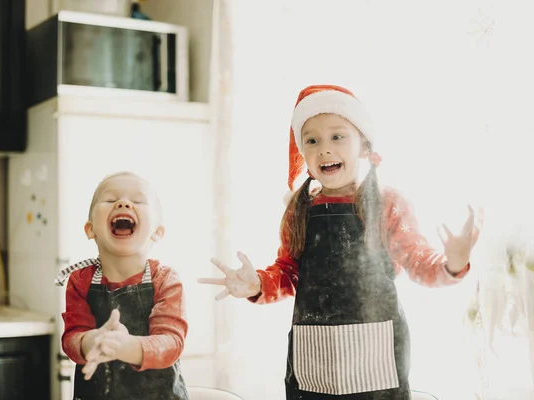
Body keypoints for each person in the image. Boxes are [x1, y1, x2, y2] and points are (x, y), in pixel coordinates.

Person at [198, 85, 482, 399]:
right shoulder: (299, 209)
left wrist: (452, 264)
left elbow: (417, 262)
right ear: (303, 153)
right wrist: (256, 285)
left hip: (377, 360)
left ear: (364, 146)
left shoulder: (388, 203)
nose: (324, 149)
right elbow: (288, 274)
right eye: (312, 140)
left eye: (337, 136)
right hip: (313, 360)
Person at [56, 171, 189, 400]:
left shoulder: (165, 280)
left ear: (157, 232)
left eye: (137, 201)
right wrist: (90, 342)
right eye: (110, 200)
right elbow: (72, 338)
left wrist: (125, 347)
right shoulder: (80, 281)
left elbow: (171, 343)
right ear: (90, 229)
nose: (123, 203)